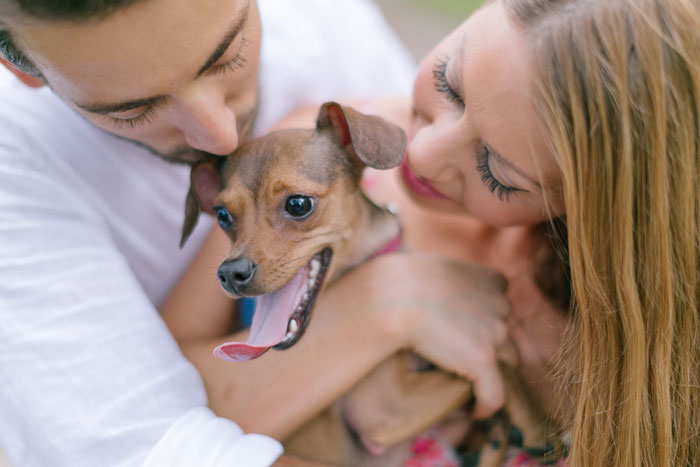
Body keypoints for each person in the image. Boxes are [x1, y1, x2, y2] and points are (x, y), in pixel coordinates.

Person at [168, 0, 700, 465]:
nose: (419, 153)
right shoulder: (309, 154)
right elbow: (157, 393)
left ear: (583, 207)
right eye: (450, 83)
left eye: (497, 171)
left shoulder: (600, 324)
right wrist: (390, 300)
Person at [0, 1, 517, 465]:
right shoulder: (15, 173)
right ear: (23, 68)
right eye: (131, 109)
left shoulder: (323, 22)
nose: (220, 135)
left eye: (227, 55)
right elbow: (154, 451)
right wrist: (390, 301)